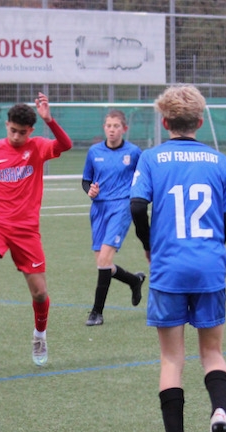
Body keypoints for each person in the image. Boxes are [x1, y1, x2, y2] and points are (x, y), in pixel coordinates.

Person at [130, 84, 226, 432]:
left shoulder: (152, 157)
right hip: (209, 266)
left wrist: (148, 243)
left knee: (172, 358)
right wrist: (210, 249)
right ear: (201, 121)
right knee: (212, 352)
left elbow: (137, 205)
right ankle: (220, 412)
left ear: (164, 121)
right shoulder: (219, 161)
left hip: (169, 267)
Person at [0, 92, 72, 366]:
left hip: (26, 231)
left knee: (39, 293)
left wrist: (50, 120)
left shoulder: (37, 147)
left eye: (22, 132)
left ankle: (39, 335)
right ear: (6, 125)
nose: (16, 137)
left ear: (31, 131)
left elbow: (66, 144)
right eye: (13, 130)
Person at [81, 109, 145, 326]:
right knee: (102, 263)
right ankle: (134, 280)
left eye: (116, 126)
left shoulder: (134, 152)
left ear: (124, 129)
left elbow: (144, 177)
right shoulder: (94, 152)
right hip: (98, 209)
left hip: (121, 207)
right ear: (104, 128)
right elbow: (86, 181)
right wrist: (90, 190)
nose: (112, 129)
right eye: (108, 125)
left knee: (105, 260)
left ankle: (96, 313)